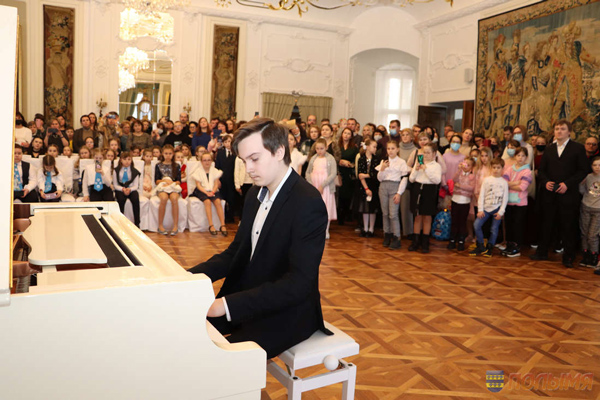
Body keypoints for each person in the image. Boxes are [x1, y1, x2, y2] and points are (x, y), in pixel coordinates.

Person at [187, 118, 330, 360]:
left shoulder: (308, 202)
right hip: (250, 296)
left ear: (279, 152)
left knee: (218, 359)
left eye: (254, 159)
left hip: (287, 311)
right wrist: (187, 277)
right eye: (244, 161)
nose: (248, 169)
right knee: (188, 334)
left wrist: (227, 305)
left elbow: (299, 283)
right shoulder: (254, 194)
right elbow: (236, 252)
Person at [530, 120, 589, 268]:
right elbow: (542, 170)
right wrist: (545, 182)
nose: (559, 131)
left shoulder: (577, 148)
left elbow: (583, 170)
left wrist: (567, 184)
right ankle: (542, 252)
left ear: (569, 132)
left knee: (568, 225)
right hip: (550, 193)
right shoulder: (549, 149)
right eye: (557, 129)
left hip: (568, 193)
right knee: (546, 223)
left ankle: (568, 257)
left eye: (562, 129)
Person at [470, 158, 508, 257]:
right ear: (491, 168)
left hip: (497, 209)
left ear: (502, 169)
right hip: (485, 209)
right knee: (477, 225)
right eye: (494, 167)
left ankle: (490, 247)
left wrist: (501, 212)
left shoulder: (504, 183)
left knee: (494, 229)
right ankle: (480, 245)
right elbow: (482, 195)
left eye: (498, 168)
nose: (496, 170)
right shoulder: (486, 180)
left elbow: (505, 199)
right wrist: (480, 210)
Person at [408, 143, 442, 253]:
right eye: (424, 152)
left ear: (434, 154)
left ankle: (425, 242)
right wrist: (417, 169)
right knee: (417, 216)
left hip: (429, 191)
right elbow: (411, 179)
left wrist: (426, 169)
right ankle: (415, 241)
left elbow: (437, 180)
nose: (425, 155)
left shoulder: (436, 166)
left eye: (428, 152)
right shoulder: (418, 162)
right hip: (417, 189)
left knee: (427, 217)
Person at [377, 140, 409, 249]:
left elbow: (404, 179)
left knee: (393, 214)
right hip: (383, 186)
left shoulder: (401, 162)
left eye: (393, 148)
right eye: (388, 148)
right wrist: (382, 169)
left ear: (397, 149)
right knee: (385, 213)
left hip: (395, 186)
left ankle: (396, 237)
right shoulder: (384, 161)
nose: (390, 151)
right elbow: (379, 178)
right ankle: (387, 234)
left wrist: (399, 193)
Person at [501, 147, 532, 257]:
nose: (520, 158)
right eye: (518, 155)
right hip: (508, 202)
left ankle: (516, 247)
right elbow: (503, 183)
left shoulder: (527, 171)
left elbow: (522, 187)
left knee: (517, 225)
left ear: (526, 157)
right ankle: (509, 245)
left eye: (523, 156)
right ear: (515, 156)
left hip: (520, 203)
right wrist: (516, 182)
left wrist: (510, 184)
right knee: (509, 224)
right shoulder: (510, 169)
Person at [306, 138, 337, 239]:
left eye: (321, 148)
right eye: (317, 148)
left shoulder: (330, 158)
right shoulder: (313, 158)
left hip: (325, 188)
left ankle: (325, 230)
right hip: (314, 186)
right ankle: (315, 230)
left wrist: (322, 185)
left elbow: (333, 173)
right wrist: (311, 184)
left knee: (326, 208)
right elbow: (308, 172)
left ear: (326, 148)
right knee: (314, 208)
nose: (319, 151)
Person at [191, 152, 228, 236]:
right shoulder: (197, 172)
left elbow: (216, 184)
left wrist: (213, 192)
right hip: (202, 190)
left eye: (209, 160)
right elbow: (198, 185)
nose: (207, 162)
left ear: (211, 161)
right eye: (204, 160)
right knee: (207, 202)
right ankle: (211, 225)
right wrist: (206, 192)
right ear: (201, 162)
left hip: (213, 190)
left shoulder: (215, 171)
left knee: (218, 201)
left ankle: (222, 225)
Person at [448, 158, 476, 251]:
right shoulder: (459, 173)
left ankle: (461, 241)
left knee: (462, 222)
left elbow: (471, 187)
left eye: (468, 165)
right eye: (464, 163)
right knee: (454, 221)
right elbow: (453, 179)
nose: (465, 166)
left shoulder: (472, 176)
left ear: (471, 167)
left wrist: (460, 186)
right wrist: (459, 169)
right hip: (455, 200)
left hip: (465, 202)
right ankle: (452, 240)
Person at [155, 145, 182, 235]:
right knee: (164, 198)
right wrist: (164, 181)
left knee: (174, 198)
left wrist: (172, 183)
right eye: (166, 153)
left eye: (170, 154)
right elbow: (156, 180)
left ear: (173, 154)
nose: (168, 156)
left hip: (173, 186)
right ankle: (160, 225)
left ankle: (175, 226)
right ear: (162, 154)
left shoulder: (177, 165)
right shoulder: (158, 165)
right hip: (163, 186)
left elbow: (179, 181)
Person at [579, 157, 600, 271]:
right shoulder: (588, 177)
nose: (597, 167)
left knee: (592, 235)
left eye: (599, 165)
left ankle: (593, 255)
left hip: (598, 209)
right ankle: (585, 255)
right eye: (595, 165)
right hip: (586, 206)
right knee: (584, 232)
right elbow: (581, 189)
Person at [356, 139, 380, 237]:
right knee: (365, 208)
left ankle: (371, 229)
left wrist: (366, 175)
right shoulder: (361, 159)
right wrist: (366, 188)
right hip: (364, 186)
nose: (375, 149)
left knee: (372, 208)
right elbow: (360, 175)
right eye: (374, 146)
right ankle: (365, 228)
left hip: (374, 185)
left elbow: (376, 174)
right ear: (368, 147)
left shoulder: (377, 159)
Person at [337, 128, 359, 225]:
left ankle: (346, 214)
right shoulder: (337, 146)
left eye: (348, 133)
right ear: (342, 134)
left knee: (347, 195)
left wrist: (350, 164)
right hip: (338, 172)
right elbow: (333, 157)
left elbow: (356, 160)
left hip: (349, 174)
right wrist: (340, 161)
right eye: (345, 133)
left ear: (351, 136)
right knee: (339, 195)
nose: (346, 135)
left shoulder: (354, 147)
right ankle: (339, 216)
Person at [113, 152, 141, 227]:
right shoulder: (116, 170)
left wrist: (129, 189)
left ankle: (137, 222)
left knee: (135, 198)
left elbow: (136, 185)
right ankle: (120, 221)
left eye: (129, 159)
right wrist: (122, 189)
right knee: (120, 199)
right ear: (121, 160)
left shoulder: (135, 171)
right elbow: (115, 185)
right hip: (120, 189)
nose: (127, 161)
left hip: (131, 189)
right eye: (125, 159)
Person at [215, 134, 237, 224]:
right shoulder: (220, 153)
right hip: (222, 179)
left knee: (231, 198)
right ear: (223, 143)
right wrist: (217, 179)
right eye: (226, 142)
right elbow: (217, 167)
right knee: (222, 197)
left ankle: (230, 217)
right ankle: (222, 216)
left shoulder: (235, 153)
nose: (228, 144)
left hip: (232, 179)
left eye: (230, 142)